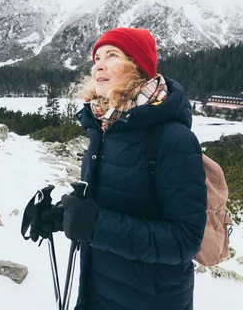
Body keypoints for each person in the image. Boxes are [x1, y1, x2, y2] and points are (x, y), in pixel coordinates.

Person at [33, 27, 207, 310]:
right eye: (96, 58)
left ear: (138, 66)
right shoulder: (104, 130)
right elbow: (110, 203)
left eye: (112, 55)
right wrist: (61, 217)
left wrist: (95, 225)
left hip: (150, 300)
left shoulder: (174, 139)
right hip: (96, 291)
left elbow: (185, 240)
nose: (98, 64)